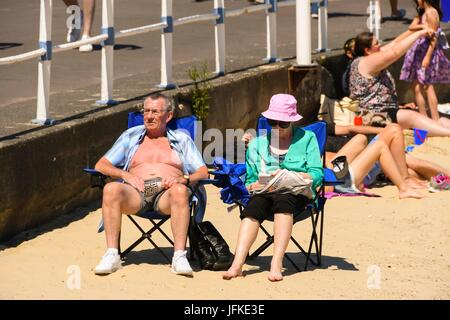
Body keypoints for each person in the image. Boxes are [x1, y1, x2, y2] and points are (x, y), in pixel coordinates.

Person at [93, 93, 209, 276]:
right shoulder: (130, 137)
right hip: (136, 193)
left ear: (168, 116)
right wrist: (125, 174)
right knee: (111, 188)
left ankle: (179, 256)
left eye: (155, 111)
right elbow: (101, 165)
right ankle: (112, 254)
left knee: (180, 191)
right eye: (146, 111)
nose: (148, 116)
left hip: (166, 195)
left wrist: (182, 179)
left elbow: (203, 171)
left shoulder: (182, 139)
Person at [223, 94, 324, 282]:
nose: (277, 127)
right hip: (266, 191)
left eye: (283, 124)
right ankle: (237, 263)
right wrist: (251, 185)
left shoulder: (307, 139)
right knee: (254, 206)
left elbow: (317, 173)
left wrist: (300, 176)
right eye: (272, 122)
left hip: (297, 192)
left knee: (283, 200)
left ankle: (276, 263)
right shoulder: (257, 144)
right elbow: (251, 179)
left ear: (291, 121)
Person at [349, 30, 450, 136]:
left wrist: (413, 30)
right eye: (376, 44)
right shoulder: (365, 62)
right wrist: (419, 34)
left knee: (430, 116)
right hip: (374, 114)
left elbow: (395, 43)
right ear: (367, 50)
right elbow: (394, 52)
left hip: (388, 109)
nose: (380, 46)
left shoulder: (369, 57)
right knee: (413, 116)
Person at [400, 0, 450, 122]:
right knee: (416, 86)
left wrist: (428, 56)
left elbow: (434, 37)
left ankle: (435, 118)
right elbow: (411, 27)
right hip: (418, 52)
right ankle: (424, 117)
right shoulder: (423, 13)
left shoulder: (432, 12)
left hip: (426, 52)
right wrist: (422, 26)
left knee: (428, 86)